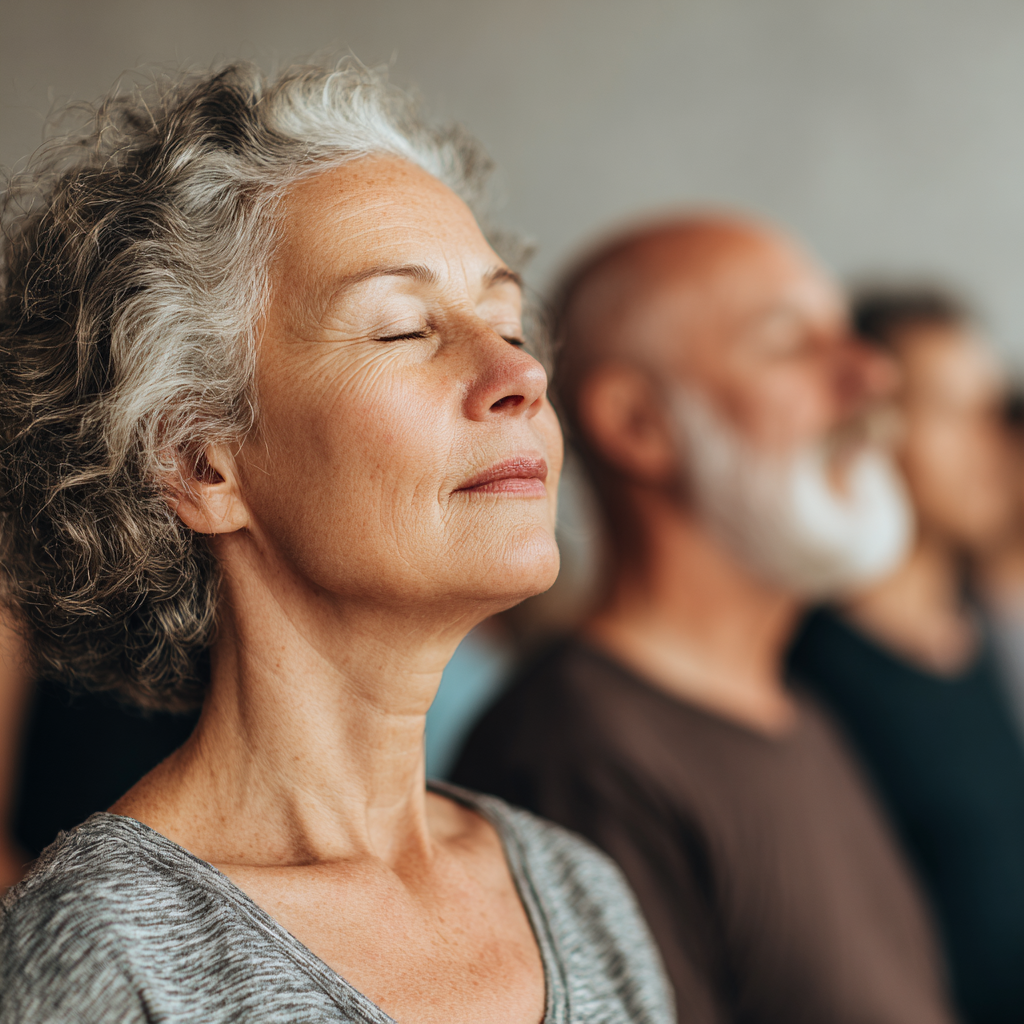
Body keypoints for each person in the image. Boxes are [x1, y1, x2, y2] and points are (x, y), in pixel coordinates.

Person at [0, 61, 674, 1024]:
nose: (520, 371)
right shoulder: (108, 956)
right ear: (201, 463)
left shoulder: (577, 892)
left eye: (506, 320)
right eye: (404, 331)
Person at [454, 216, 957, 1024]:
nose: (870, 374)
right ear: (636, 423)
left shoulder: (802, 718)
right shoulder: (575, 759)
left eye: (849, 339)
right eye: (792, 343)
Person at [787, 288, 1024, 1024]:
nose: (993, 444)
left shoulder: (988, 629)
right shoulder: (809, 669)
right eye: (952, 411)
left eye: (992, 411)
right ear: (870, 423)